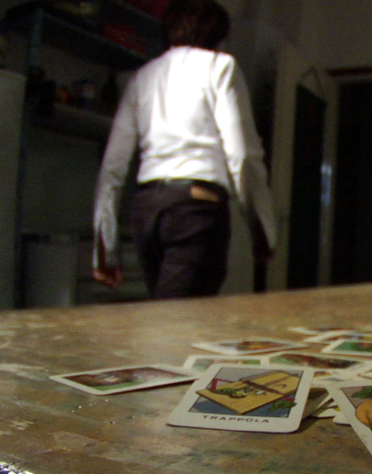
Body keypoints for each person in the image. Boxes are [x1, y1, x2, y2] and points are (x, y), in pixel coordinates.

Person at [92, 0, 276, 299]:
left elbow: (112, 165)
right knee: (178, 320)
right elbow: (242, 155)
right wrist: (262, 231)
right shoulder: (220, 66)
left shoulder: (141, 77)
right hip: (196, 208)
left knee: (168, 313)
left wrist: (105, 250)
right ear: (218, 35)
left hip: (147, 209)